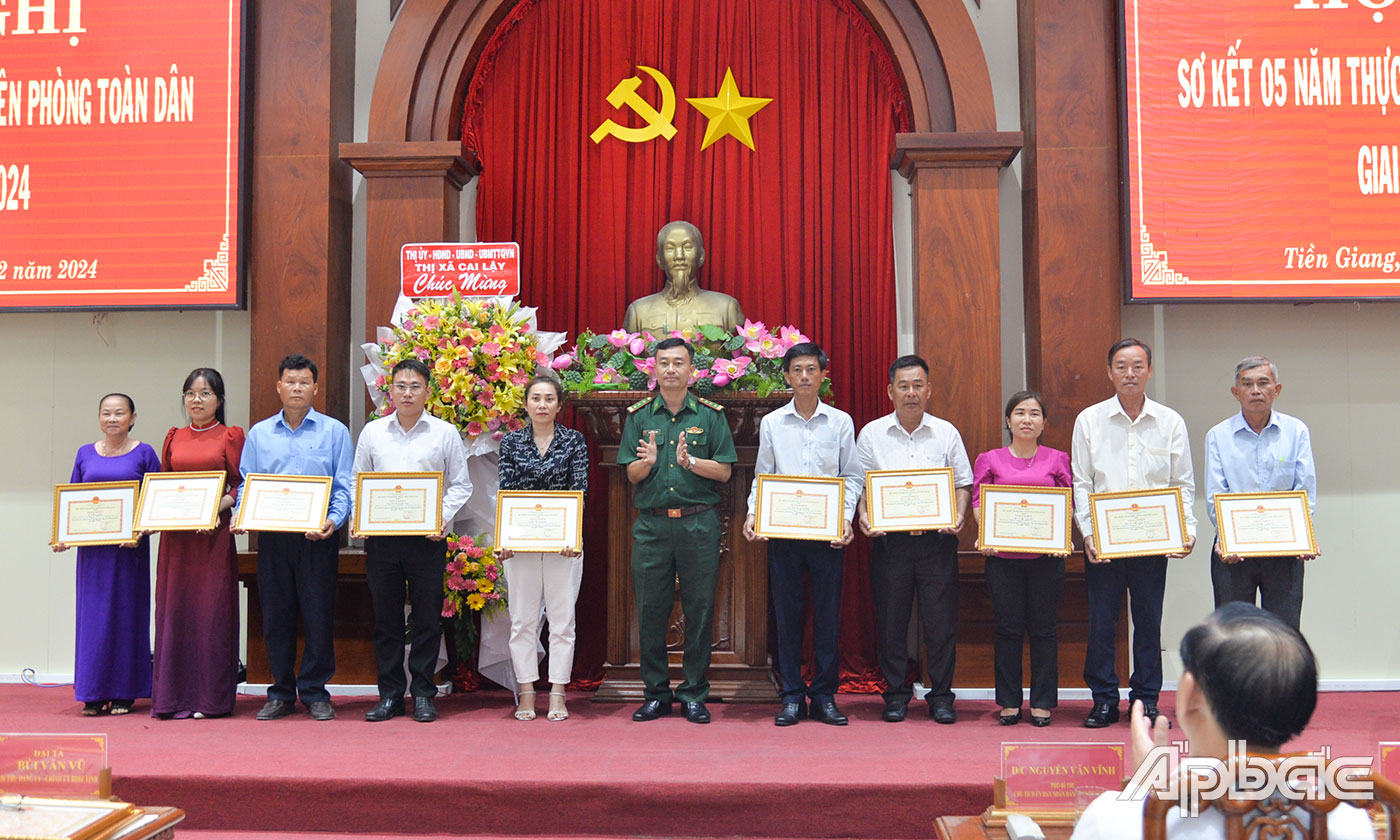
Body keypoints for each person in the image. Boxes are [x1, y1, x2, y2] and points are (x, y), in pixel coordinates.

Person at [1070, 603, 1373, 839]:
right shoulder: (1347, 817)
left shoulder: (1117, 819)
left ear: (1189, 694)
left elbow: (1124, 821)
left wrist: (1143, 788)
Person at [1072, 339, 1195, 728]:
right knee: (1102, 623)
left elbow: (1182, 484)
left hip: (1153, 541)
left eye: (1138, 366)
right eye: (1121, 366)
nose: (1130, 373)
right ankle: (1104, 700)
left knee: (1149, 621)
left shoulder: (1170, 422)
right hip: (1105, 543)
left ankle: (1145, 700)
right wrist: (1089, 535)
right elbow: (1081, 482)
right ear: (1109, 372)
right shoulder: (1089, 420)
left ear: (1149, 371)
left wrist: (1186, 531)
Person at [617, 337, 737, 724]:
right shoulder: (638, 416)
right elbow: (630, 475)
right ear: (654, 369)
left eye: (678, 363)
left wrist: (692, 462)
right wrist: (648, 463)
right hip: (652, 526)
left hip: (698, 524)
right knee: (651, 609)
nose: (671, 369)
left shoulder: (710, 415)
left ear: (692, 371)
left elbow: (724, 471)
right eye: (664, 362)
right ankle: (655, 693)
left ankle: (693, 694)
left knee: (700, 609)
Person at [744, 342, 862, 727]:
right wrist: (753, 513)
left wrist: (844, 519)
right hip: (785, 533)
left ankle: (825, 695)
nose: (805, 376)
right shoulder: (773, 423)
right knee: (787, 614)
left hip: (828, 535)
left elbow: (852, 476)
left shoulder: (841, 421)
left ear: (823, 375)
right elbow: (764, 476)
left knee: (828, 615)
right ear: (788, 376)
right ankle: (792, 695)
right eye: (797, 370)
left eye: (812, 369)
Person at [352, 358, 472, 723]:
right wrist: (362, 519)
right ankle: (389, 695)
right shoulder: (373, 433)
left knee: (427, 619)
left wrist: (440, 518)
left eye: (415, 386)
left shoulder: (444, 432)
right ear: (390, 390)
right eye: (401, 386)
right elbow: (358, 483)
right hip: (383, 541)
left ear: (428, 391)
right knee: (386, 620)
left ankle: (423, 692)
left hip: (426, 540)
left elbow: (462, 485)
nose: (407, 393)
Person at [235, 354, 353, 722]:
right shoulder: (259, 433)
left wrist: (334, 520)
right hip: (273, 538)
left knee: (318, 615)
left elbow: (344, 484)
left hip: (318, 538)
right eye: (291, 381)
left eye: (304, 382)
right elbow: (246, 483)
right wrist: (241, 514)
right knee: (276, 617)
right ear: (279, 386)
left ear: (315, 388)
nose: (297, 388)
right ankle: (281, 692)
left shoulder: (334, 432)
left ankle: (316, 692)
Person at [854, 355, 972, 724]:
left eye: (917, 385)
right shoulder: (872, 433)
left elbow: (962, 482)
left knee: (940, 623)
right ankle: (895, 695)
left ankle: (941, 696)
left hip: (936, 543)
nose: (910, 393)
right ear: (890, 391)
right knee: (891, 622)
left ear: (929, 389)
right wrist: (863, 517)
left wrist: (959, 515)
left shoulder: (946, 432)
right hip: (892, 544)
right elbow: (860, 486)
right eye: (903, 386)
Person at [54, 393, 161, 716]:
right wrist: (62, 536)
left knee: (128, 617)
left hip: (130, 553)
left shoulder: (145, 453)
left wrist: (141, 531)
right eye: (106, 413)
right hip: (93, 556)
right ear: (99, 417)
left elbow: (155, 502)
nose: (112, 418)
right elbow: (73, 498)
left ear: (132, 417)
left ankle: (126, 692)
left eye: (119, 413)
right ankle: (93, 693)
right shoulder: (85, 453)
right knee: (94, 620)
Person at [971, 389, 1072, 727]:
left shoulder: (1058, 459)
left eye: (1034, 414)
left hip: (1046, 559)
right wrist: (986, 534)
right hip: (1003, 560)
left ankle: (1042, 702)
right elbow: (977, 502)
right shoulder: (990, 459)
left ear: (1043, 423)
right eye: (1019, 413)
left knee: (1044, 631)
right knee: (1008, 631)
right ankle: (1010, 702)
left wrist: (1062, 537)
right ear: (1008, 420)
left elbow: (1067, 503)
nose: (1026, 419)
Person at [151, 369, 245, 719]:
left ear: (219, 400)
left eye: (205, 393)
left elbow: (240, 484)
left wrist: (216, 507)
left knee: (210, 614)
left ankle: (209, 700)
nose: (197, 400)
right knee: (175, 611)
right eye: (190, 393)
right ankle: (172, 699)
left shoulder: (231, 436)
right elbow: (162, 484)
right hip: (177, 541)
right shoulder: (174, 436)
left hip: (212, 538)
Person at [497, 375, 589, 722]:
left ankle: (558, 692)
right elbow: (505, 491)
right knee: (522, 621)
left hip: (563, 545)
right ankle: (526, 691)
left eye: (549, 399)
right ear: (525, 403)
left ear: (559, 406)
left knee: (563, 622)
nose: (542, 405)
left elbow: (579, 491)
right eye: (535, 398)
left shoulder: (574, 441)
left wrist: (572, 536)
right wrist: (505, 539)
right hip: (519, 545)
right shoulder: (511, 442)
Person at [1204, 357, 1317, 630]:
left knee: (1284, 634)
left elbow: (1305, 489)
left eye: (1263, 383)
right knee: (1233, 635)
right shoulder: (1219, 435)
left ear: (1276, 390)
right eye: (1247, 384)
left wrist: (1304, 534)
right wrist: (1226, 539)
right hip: (1233, 553)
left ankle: (1280, 677)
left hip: (1284, 551)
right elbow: (1216, 494)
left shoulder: (1296, 431)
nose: (1256, 390)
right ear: (1236, 392)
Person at [621, 221, 745, 334]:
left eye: (687, 247)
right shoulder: (638, 311)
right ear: (659, 260)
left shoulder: (726, 307)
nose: (679, 256)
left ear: (701, 256)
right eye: (670, 248)